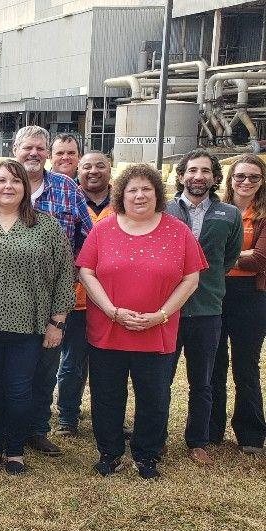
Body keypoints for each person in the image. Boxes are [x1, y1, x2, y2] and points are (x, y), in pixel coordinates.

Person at [0, 126, 92, 458]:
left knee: (28, 385)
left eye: (15, 182)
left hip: (32, 320)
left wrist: (58, 321)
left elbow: (68, 268)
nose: (8, 186)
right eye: (2, 181)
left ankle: (24, 441)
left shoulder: (52, 216)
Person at [78, 164, 206, 479]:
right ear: (121, 194)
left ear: (157, 193)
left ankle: (147, 455)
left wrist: (161, 315)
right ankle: (109, 453)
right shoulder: (103, 229)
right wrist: (111, 310)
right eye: (132, 189)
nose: (139, 195)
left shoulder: (178, 231)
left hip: (157, 330)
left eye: (146, 189)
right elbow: (86, 272)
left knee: (155, 395)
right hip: (109, 328)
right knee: (107, 395)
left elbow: (191, 279)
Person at [166, 149, 243, 466]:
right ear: (182, 175)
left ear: (214, 178)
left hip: (207, 310)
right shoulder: (164, 209)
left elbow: (228, 259)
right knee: (160, 379)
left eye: (206, 171)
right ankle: (154, 437)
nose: (199, 177)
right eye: (192, 170)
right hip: (167, 309)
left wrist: (204, 282)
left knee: (203, 381)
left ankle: (198, 441)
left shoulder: (229, 214)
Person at [55, 150, 114, 436]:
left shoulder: (124, 203)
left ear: (110, 169)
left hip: (112, 300)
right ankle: (67, 416)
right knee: (72, 362)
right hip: (76, 299)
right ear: (78, 171)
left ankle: (108, 415)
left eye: (100, 166)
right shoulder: (71, 200)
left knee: (108, 365)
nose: (93, 171)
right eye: (87, 166)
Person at [211, 154, 266, 454]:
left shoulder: (263, 215)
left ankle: (251, 434)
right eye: (240, 176)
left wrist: (220, 256)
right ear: (230, 179)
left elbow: (260, 260)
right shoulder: (218, 211)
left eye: (253, 177)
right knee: (213, 365)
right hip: (216, 293)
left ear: (262, 182)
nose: (246, 182)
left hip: (251, 296)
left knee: (245, 366)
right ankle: (210, 430)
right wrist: (236, 256)